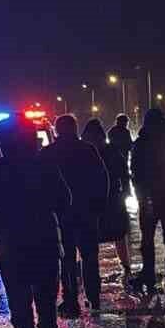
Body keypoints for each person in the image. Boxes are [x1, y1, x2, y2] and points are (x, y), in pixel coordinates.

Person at [0, 117, 71, 328]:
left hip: (12, 241)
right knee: (46, 295)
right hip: (45, 239)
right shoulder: (45, 165)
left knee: (18, 297)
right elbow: (64, 199)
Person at [52, 113, 109, 315]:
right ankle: (93, 297)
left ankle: (70, 300)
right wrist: (99, 205)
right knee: (90, 257)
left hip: (61, 215)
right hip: (87, 212)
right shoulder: (88, 150)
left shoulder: (51, 152)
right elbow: (102, 178)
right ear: (75, 129)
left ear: (57, 130)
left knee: (66, 259)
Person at [130, 106, 165, 295]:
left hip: (148, 198)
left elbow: (135, 172)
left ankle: (149, 273)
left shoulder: (140, 143)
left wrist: (141, 195)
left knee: (148, 239)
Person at [81, 117, 134, 289]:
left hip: (95, 200)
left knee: (95, 236)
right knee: (118, 234)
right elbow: (124, 173)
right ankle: (125, 266)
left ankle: (91, 271)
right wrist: (126, 191)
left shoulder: (86, 153)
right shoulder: (111, 151)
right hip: (111, 199)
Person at [107, 113, 133, 194]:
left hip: (113, 157)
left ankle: (116, 191)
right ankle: (126, 191)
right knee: (124, 174)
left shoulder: (112, 131)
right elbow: (129, 145)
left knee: (115, 175)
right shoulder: (125, 132)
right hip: (123, 156)